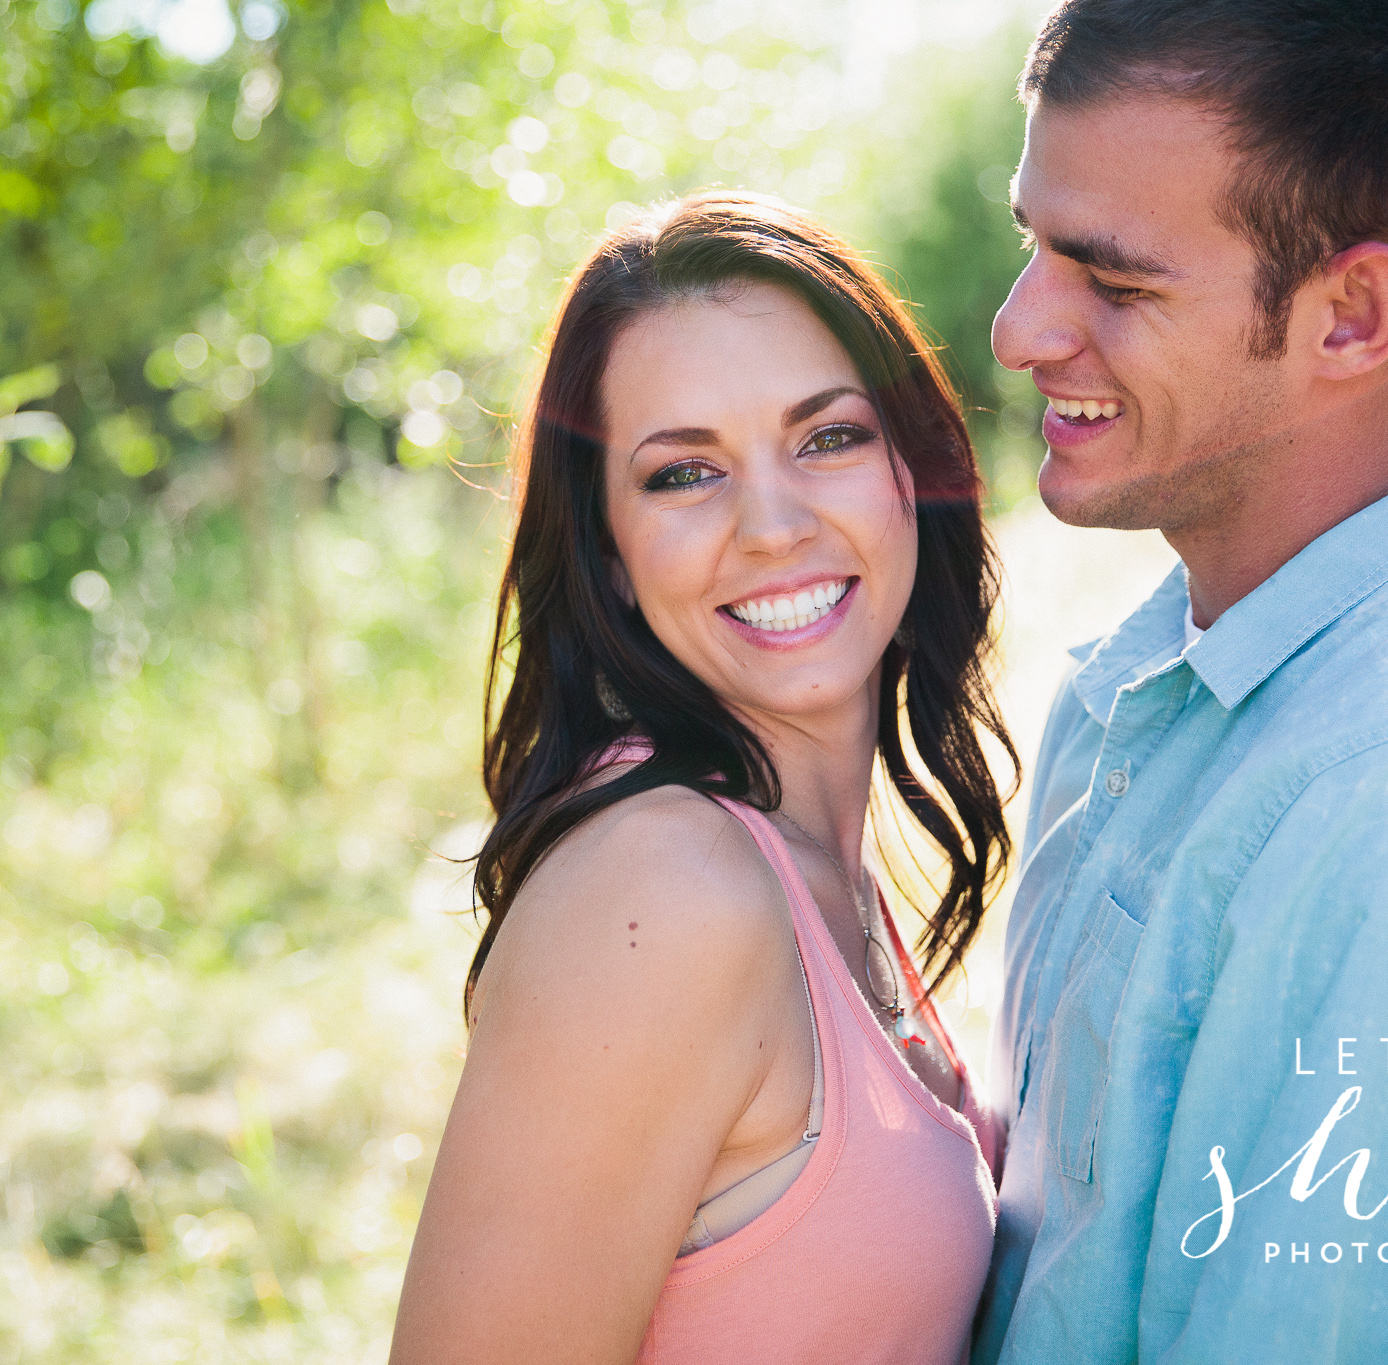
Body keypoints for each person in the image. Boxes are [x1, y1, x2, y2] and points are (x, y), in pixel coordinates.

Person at [977, 2, 1388, 1362]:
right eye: (1033, 246)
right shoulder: (1150, 677)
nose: (1017, 329)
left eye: (1113, 280)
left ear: (1350, 317)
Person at [391, 192, 1015, 1364]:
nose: (772, 525)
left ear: (909, 475)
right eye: (684, 474)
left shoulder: (802, 848)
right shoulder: (665, 891)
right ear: (610, 556)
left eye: (827, 437)